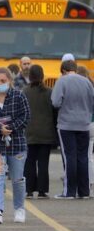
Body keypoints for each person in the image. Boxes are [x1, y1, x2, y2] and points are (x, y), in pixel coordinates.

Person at [0, 67, 30, 224]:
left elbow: (26, 116)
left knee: (17, 179)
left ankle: (19, 208)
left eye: (3, 81)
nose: (0, 83)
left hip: (16, 143)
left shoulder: (19, 96)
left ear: (9, 81)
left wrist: (10, 128)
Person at [51, 60, 93, 199]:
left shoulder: (62, 81)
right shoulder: (86, 81)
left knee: (70, 157)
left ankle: (69, 192)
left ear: (63, 70)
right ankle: (84, 191)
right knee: (83, 157)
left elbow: (56, 102)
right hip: (84, 124)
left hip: (66, 124)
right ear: (75, 69)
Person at [23, 65, 56, 199]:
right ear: (42, 76)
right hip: (46, 133)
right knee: (43, 163)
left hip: (29, 132)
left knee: (29, 161)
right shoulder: (49, 92)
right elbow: (55, 112)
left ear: (30, 76)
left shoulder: (24, 92)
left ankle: (29, 190)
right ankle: (42, 191)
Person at [76, 65, 94, 194]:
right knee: (89, 154)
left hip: (85, 123)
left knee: (85, 155)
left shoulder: (79, 87)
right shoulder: (91, 85)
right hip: (91, 122)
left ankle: (88, 181)